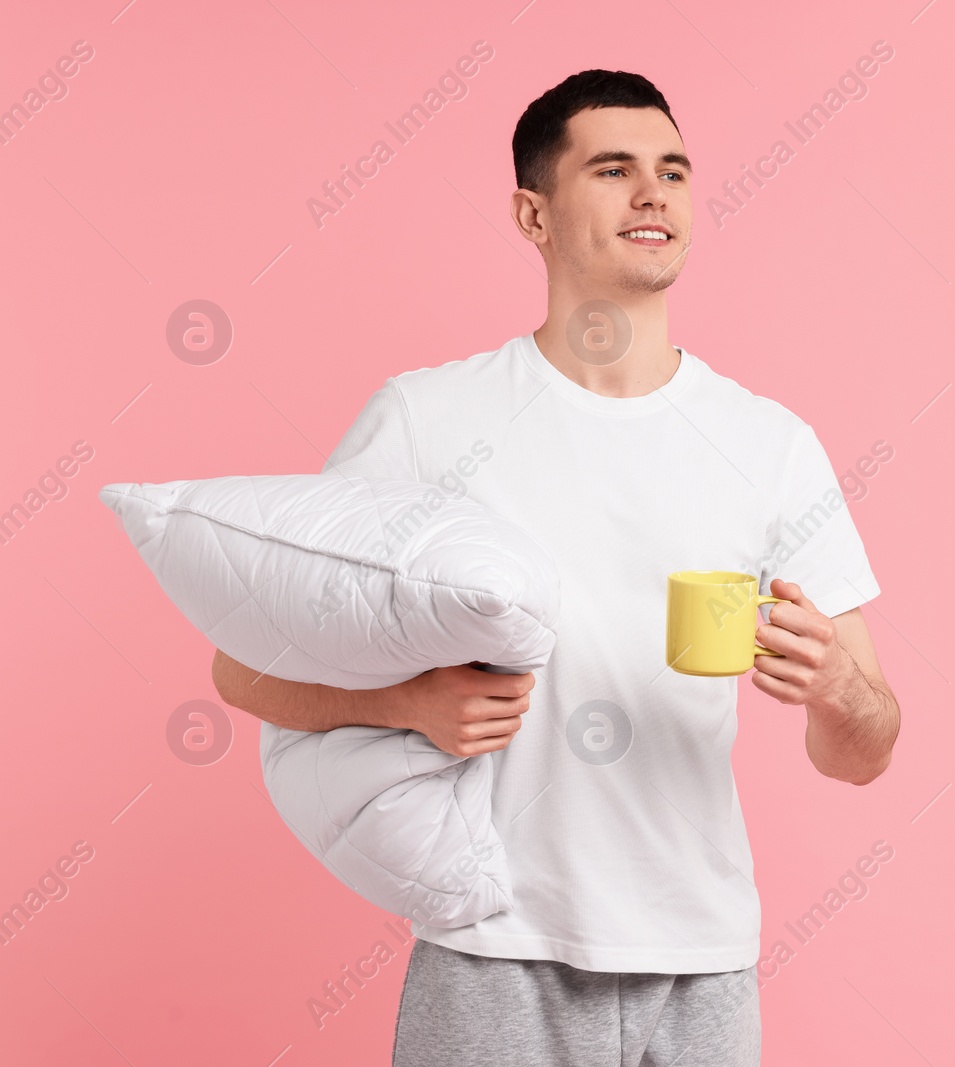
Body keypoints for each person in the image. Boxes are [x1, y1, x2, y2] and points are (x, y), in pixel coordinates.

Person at [212, 68, 900, 1066]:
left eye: (672, 169)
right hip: (491, 950)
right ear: (532, 214)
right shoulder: (426, 420)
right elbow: (241, 668)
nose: (653, 192)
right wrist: (408, 703)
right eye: (613, 168)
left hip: (700, 961)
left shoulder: (769, 444)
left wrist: (836, 685)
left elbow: (865, 749)